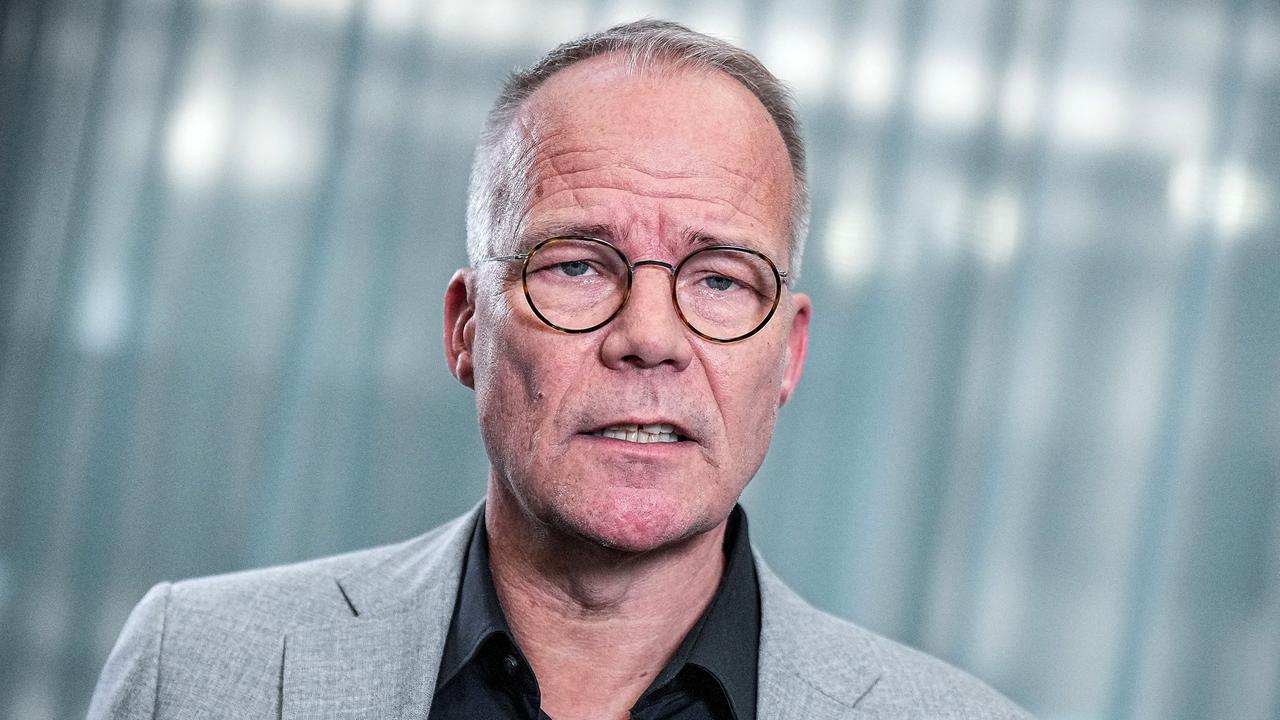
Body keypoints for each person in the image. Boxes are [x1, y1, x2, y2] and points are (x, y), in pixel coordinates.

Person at [89, 19, 1031, 719]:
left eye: (720, 279)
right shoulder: (194, 670)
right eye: (577, 266)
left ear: (788, 354)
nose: (650, 336)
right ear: (466, 329)